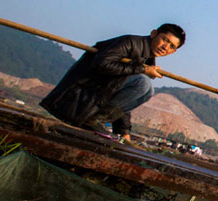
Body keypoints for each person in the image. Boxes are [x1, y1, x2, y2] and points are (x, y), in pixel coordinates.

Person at [40, 24, 186, 143]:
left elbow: (122, 96)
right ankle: (92, 119)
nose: (166, 47)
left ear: (173, 52)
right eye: (165, 40)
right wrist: (142, 69)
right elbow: (101, 64)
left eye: (172, 46)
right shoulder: (130, 43)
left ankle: (95, 120)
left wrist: (124, 133)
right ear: (154, 33)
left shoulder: (147, 58)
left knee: (146, 90)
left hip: (90, 100)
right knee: (143, 84)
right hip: (72, 99)